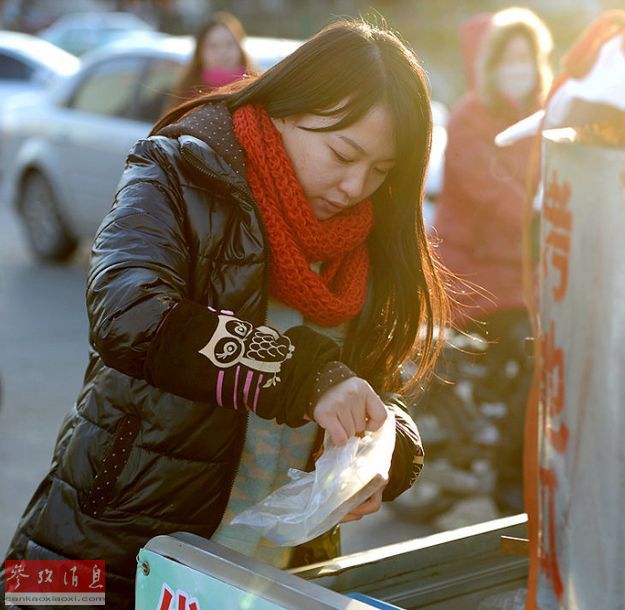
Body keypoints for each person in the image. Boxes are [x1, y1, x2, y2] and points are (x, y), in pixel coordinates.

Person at [3, 19, 448, 608]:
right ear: (285, 110)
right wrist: (304, 377)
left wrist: (388, 448)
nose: (355, 186)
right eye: (343, 153)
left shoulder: (367, 238)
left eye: (381, 170)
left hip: (271, 573)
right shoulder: (178, 169)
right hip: (116, 543)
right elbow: (129, 313)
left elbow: (376, 385)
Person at [432, 7, 552, 515]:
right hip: (474, 272)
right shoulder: (470, 116)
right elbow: (489, 189)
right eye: (510, 58)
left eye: (527, 57)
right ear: (492, 63)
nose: (519, 67)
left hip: (522, 271)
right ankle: (509, 482)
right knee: (534, 354)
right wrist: (542, 209)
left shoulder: (544, 116)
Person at [170, 11, 257, 103]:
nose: (222, 52)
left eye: (229, 44)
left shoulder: (256, 88)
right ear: (200, 51)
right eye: (213, 46)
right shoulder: (183, 93)